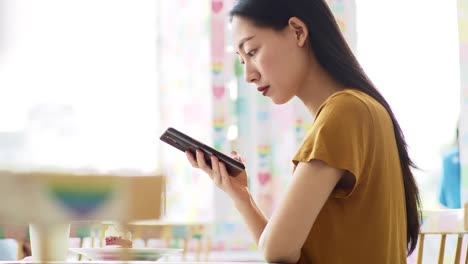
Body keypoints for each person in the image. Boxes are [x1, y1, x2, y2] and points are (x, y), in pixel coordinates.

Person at [185, 0, 421, 263]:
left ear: (297, 31)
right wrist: (240, 196)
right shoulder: (363, 108)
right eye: (241, 60)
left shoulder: (344, 112)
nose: (248, 75)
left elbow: (276, 250)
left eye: (252, 51)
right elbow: (285, 253)